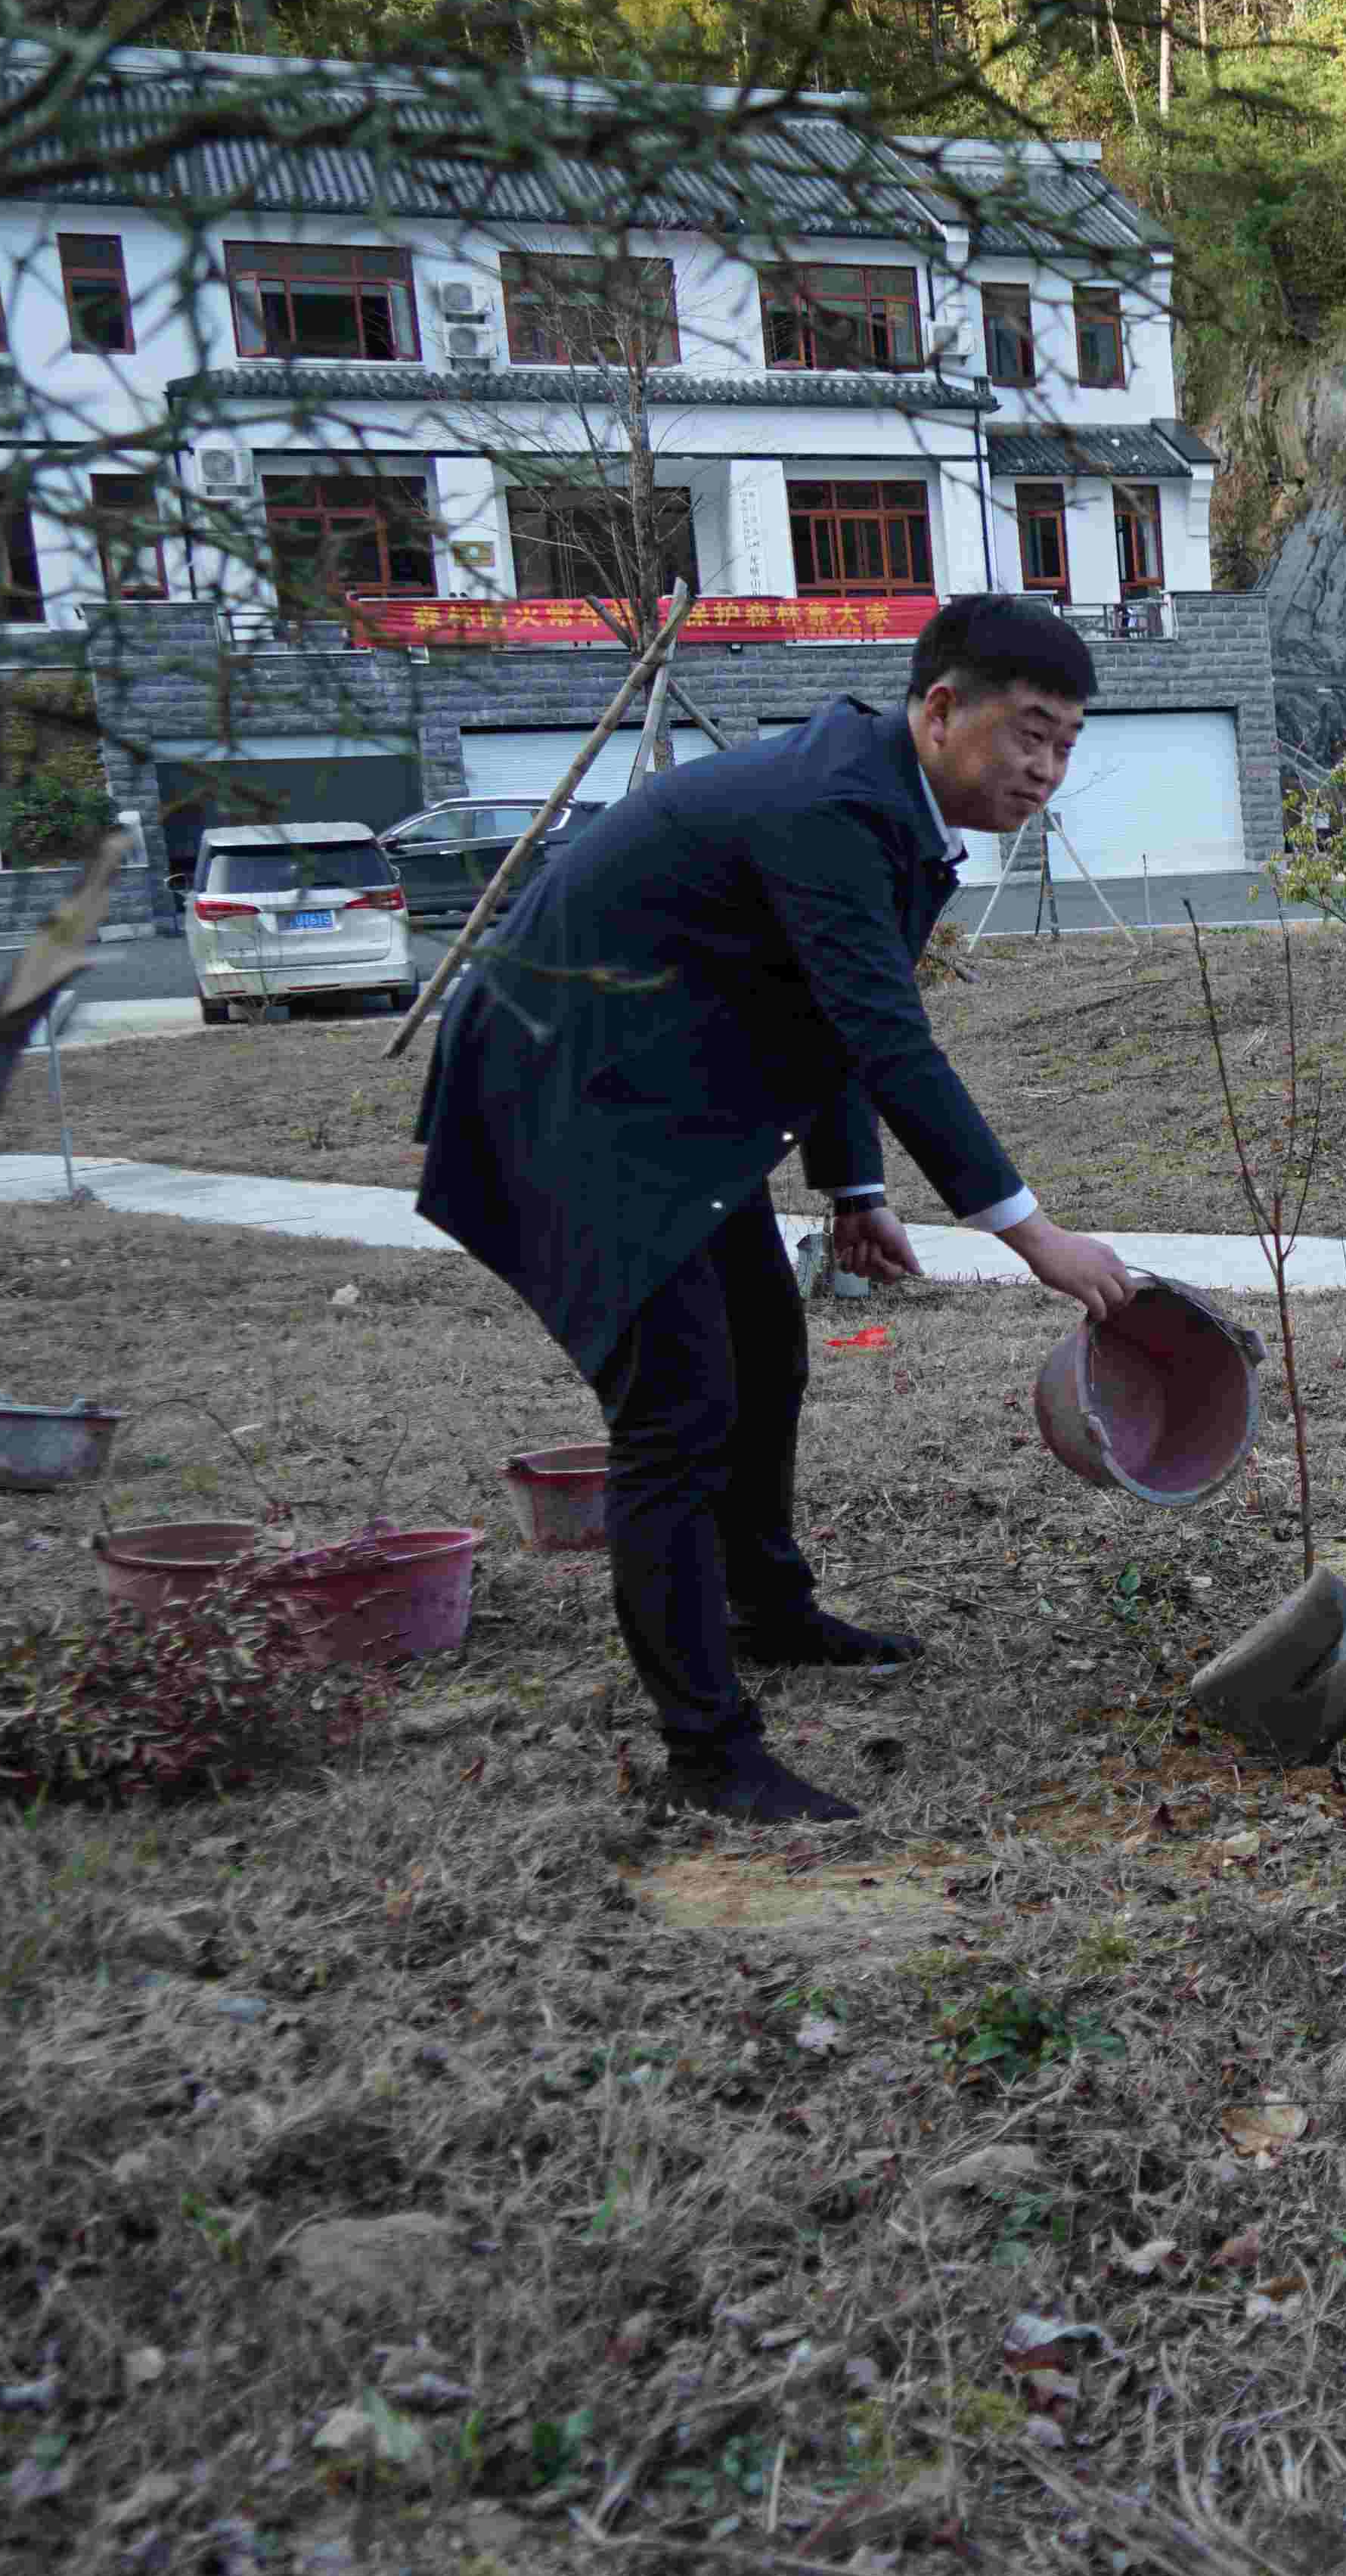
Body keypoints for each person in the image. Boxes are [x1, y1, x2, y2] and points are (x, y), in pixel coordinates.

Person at [414, 597, 1143, 1823]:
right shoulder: (838, 806)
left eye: (1067, 743)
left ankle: (766, 1611)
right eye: (1028, 732)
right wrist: (1033, 1235)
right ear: (941, 709)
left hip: (659, 1096)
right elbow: (888, 1037)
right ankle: (709, 1748)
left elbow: (826, 1006)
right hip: (564, 1088)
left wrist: (853, 1188)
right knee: (681, 1404)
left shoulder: (881, 804)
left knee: (766, 1345)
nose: (1044, 768)